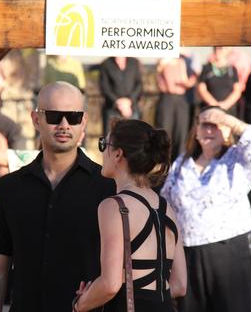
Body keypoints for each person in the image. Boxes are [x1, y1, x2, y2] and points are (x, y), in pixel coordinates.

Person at [0, 82, 116, 312]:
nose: (64, 125)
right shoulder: (8, 189)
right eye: (54, 116)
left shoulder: (107, 188)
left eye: (72, 117)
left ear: (83, 121)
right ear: (36, 119)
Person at [161, 106, 251, 312]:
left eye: (215, 125)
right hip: (188, 254)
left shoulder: (238, 159)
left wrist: (228, 119)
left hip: (226, 251)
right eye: (204, 125)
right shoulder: (182, 162)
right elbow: (166, 202)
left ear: (227, 130)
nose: (209, 130)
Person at [72, 119, 187, 312]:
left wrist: (79, 304)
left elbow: (110, 284)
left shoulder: (114, 206)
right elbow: (180, 285)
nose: (102, 152)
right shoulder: (167, 208)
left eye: (104, 144)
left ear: (118, 154)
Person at [155, 57, 196, 159]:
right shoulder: (163, 61)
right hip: (167, 98)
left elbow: (185, 81)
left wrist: (189, 81)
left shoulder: (181, 62)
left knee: (181, 132)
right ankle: (161, 162)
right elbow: (169, 83)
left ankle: (178, 161)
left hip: (181, 99)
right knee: (164, 130)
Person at [99, 57, 143, 134]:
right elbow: (104, 87)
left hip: (132, 109)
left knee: (134, 138)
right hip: (112, 109)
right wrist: (118, 102)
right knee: (110, 139)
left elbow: (139, 85)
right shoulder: (106, 64)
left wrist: (129, 102)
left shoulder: (134, 62)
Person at [196, 47, 242, 116]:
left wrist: (225, 105)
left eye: (220, 48)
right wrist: (215, 105)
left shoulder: (232, 69)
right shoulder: (206, 68)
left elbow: (237, 91)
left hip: (228, 111)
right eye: (215, 48)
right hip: (210, 111)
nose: (217, 51)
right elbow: (201, 89)